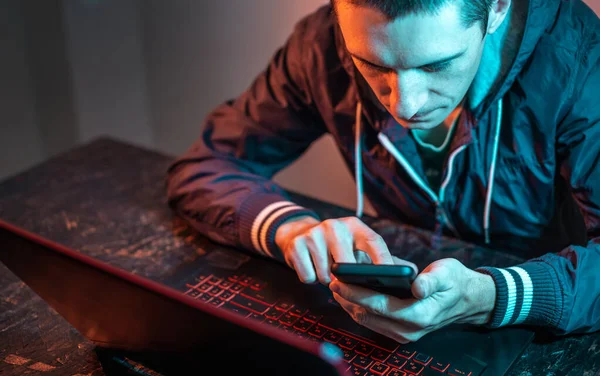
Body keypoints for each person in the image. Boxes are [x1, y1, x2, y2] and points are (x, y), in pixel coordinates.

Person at [166, 0, 600, 343]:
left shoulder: (579, 59)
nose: (404, 103)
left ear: (497, 8)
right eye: (373, 65)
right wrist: (289, 229)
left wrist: (488, 297)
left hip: (542, 330)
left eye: (436, 65)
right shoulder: (319, 46)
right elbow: (206, 166)